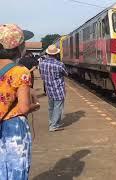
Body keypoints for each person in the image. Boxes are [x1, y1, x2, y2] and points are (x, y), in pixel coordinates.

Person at [0, 24, 40, 180]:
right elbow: (23, 108)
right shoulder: (20, 71)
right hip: (14, 129)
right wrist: (35, 105)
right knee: (17, 170)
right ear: (18, 47)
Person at [39, 45, 67, 132]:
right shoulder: (59, 64)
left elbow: (41, 73)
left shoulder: (42, 63)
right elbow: (66, 73)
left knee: (51, 107)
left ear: (47, 53)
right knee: (58, 107)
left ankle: (52, 123)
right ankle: (54, 126)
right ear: (56, 54)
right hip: (58, 89)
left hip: (49, 89)